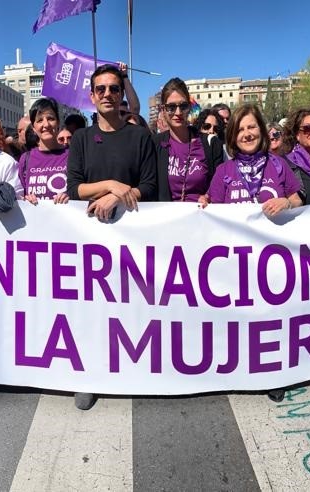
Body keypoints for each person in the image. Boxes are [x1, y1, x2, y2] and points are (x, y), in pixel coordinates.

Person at [66, 65, 158, 410]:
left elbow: (150, 187)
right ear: (91, 97)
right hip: (89, 242)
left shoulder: (140, 138)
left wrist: (120, 196)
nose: (107, 94)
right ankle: (89, 375)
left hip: (132, 240)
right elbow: (74, 188)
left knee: (130, 310)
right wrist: (109, 186)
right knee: (90, 311)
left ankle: (133, 369)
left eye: (114, 89)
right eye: (100, 89)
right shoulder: (81, 139)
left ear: (122, 95)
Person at [199, 104, 302, 216]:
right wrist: (204, 202)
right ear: (232, 136)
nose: (247, 134)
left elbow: (297, 201)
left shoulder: (279, 164)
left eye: (251, 127)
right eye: (239, 130)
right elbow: (214, 213)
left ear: (261, 130)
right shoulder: (223, 171)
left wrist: (287, 203)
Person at [154, 78, 223, 203]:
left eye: (183, 106)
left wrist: (208, 196)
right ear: (163, 110)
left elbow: (220, 185)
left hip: (201, 218)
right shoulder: (154, 144)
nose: (178, 112)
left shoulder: (210, 144)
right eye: (171, 107)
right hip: (167, 220)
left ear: (190, 107)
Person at [19, 98, 70, 204]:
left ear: (58, 122)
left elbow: (81, 192)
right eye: (40, 120)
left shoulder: (72, 156)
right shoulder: (25, 159)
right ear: (33, 127)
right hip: (36, 219)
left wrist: (71, 196)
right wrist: (25, 199)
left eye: (51, 118)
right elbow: (19, 196)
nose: (46, 125)